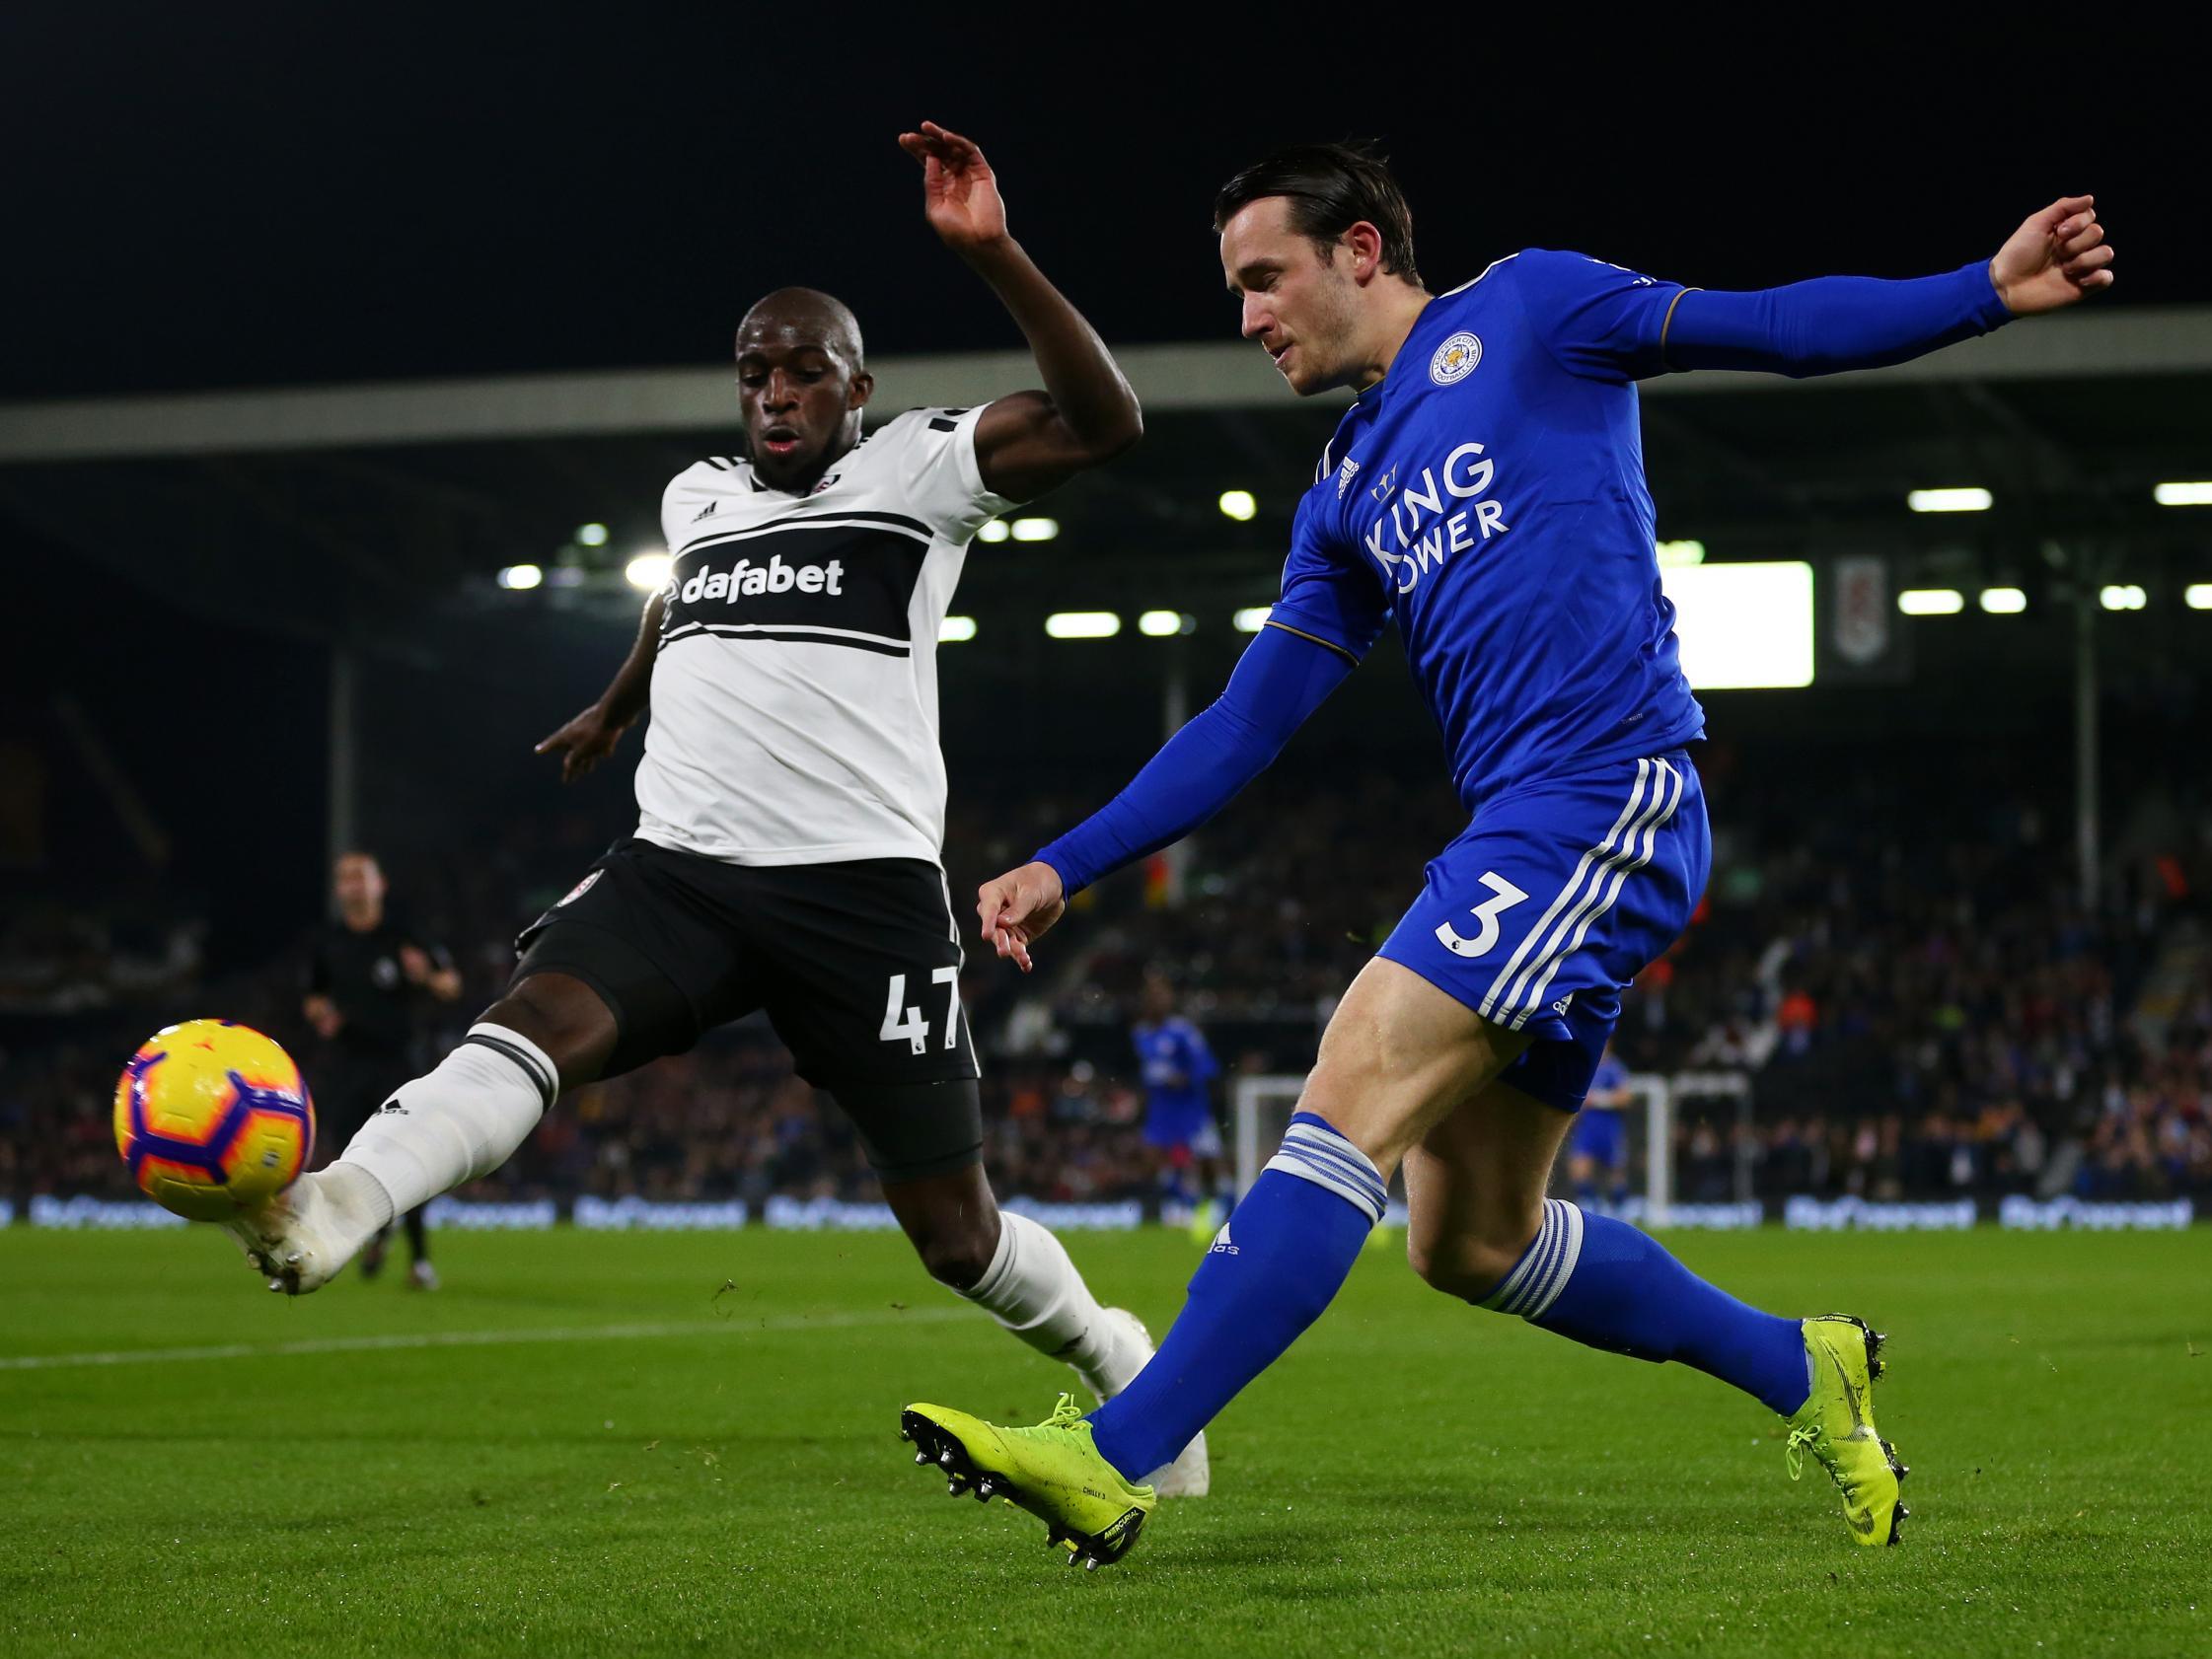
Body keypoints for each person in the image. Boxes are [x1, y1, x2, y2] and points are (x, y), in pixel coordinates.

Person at [902, 143, 2113, 1566]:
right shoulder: (1346, 482)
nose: (1247, 318)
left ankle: (1111, 1454)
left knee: (1350, 1075)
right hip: (1523, 827)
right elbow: (1248, 720)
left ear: (1359, 250)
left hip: (1603, 795)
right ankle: (1803, 1365)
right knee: (1466, 1242)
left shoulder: (1535, 310)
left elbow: (1771, 327)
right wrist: (1067, 860)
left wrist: (1981, 289)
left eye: (1262, 279)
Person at [226, 122, 1206, 1496]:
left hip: (862, 895)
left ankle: (1114, 1352)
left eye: (805, 365)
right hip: (682, 866)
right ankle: (339, 1206)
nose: (776, 386)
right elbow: (677, 591)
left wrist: (992, 254)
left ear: (857, 385)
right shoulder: (699, 499)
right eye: (755, 369)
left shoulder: (920, 471)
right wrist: (618, 701)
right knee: (534, 1024)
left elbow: (1107, 423)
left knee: (952, 1233)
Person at [303, 850, 461, 1288]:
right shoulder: (328, 942)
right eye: (346, 878)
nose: (353, 884)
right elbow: (313, 998)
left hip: (401, 1064)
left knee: (412, 1157)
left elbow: (451, 984)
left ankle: (419, 1259)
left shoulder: (405, 936)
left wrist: (424, 976)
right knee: (352, 1157)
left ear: (380, 885)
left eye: (361, 876)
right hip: (349, 1066)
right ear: (339, 890)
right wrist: (321, 1014)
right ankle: (371, 1230)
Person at [1129, 974, 1225, 1231]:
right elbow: (1146, 1072)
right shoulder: (1140, 1034)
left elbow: (1207, 1068)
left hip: (1191, 1111)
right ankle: (1153, 1217)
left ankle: (1212, 1215)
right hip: (1161, 1112)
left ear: (1169, 1000)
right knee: (1150, 1164)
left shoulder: (1183, 1032)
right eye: (1151, 997)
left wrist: (1181, 1078)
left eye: (1161, 996)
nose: (1156, 1001)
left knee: (1207, 1166)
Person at [1568, 1041, 1633, 1212]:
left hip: (1609, 1128)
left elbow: (1625, 1098)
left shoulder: (1614, 1068)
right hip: (1587, 1128)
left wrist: (1596, 1099)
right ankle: (1589, 1207)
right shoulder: (1584, 1067)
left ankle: (1619, 1210)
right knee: (1579, 1169)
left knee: (1616, 1173)